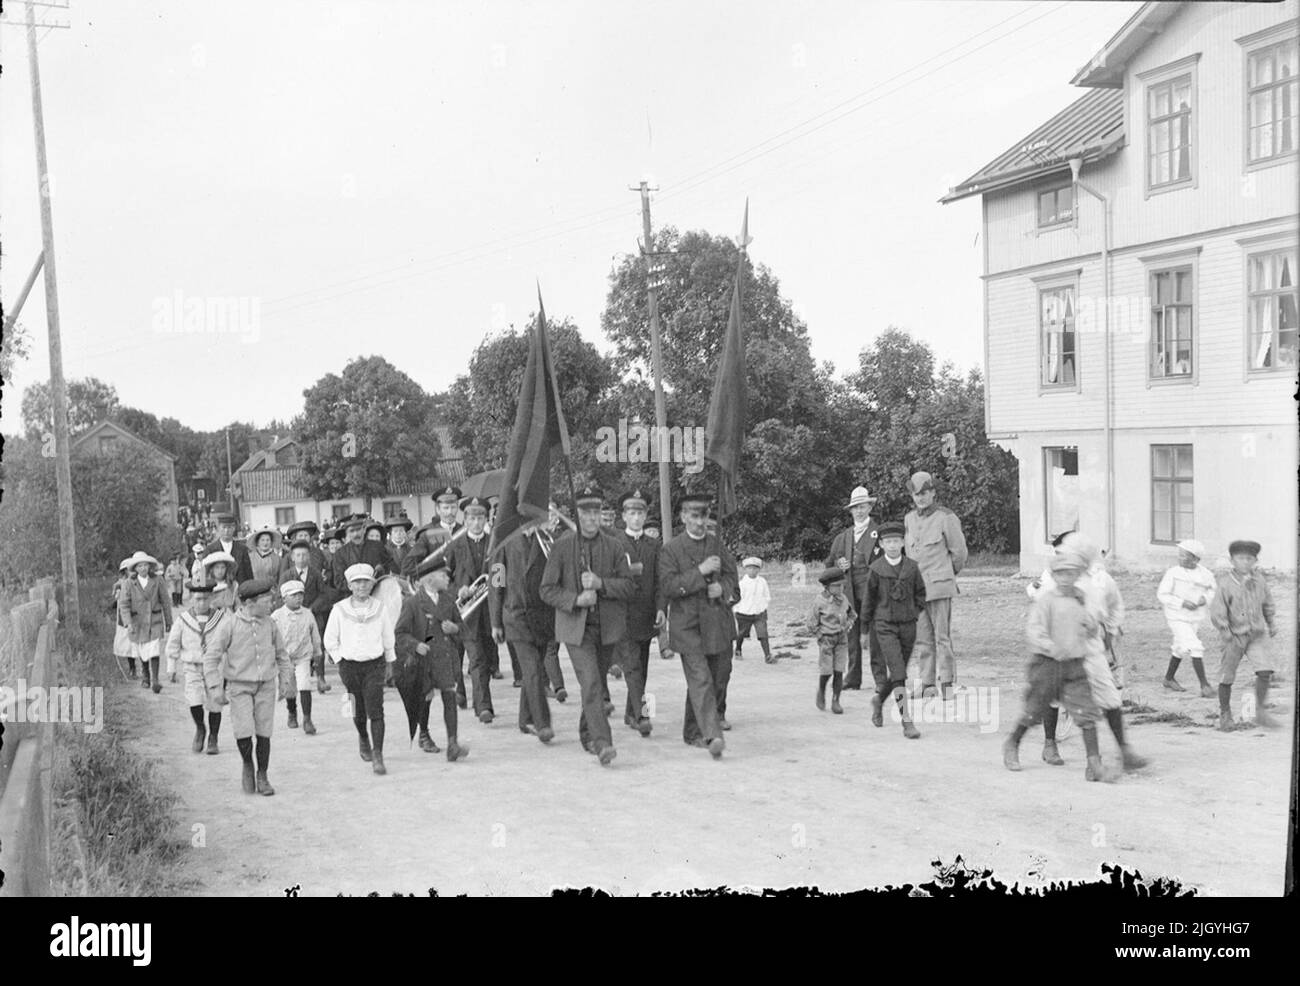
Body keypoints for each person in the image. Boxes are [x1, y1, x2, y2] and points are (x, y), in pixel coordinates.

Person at [1028, 533, 1146, 770]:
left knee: (1110, 698)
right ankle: (1050, 743)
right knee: (1052, 697)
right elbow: (1037, 602)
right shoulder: (1055, 578)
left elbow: (1115, 605)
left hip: (1092, 651)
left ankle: (1123, 751)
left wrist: (1110, 633)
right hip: (1061, 653)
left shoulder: (1101, 580)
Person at [540, 485, 635, 766]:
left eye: (597, 512)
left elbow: (629, 586)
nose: (592, 518)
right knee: (591, 682)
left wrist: (602, 584)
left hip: (607, 628)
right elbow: (546, 590)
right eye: (586, 512)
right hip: (575, 629)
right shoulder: (562, 546)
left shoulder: (615, 546)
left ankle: (587, 732)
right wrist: (575, 599)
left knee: (595, 683)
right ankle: (602, 743)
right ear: (577, 514)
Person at [1002, 548, 1112, 782]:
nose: (1065, 578)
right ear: (1053, 575)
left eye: (1071, 573)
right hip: (1048, 664)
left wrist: (1092, 627)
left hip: (1074, 664)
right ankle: (1013, 743)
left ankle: (1094, 763)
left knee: (1086, 712)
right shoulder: (1046, 601)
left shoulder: (1080, 597)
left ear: (1078, 574)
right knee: (1034, 711)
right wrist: (1051, 647)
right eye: (1060, 574)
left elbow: (1088, 624)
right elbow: (1034, 630)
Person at [659, 491, 736, 758]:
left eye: (704, 516)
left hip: (715, 626)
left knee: (712, 681)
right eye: (694, 516)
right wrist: (700, 573)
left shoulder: (717, 545)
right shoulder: (671, 549)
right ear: (683, 517)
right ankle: (713, 735)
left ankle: (692, 731)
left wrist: (722, 590)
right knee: (701, 679)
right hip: (687, 627)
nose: (700, 522)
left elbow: (732, 580)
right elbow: (668, 586)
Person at [203, 579, 292, 795]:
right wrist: (215, 687)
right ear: (250, 603)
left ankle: (262, 774)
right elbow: (211, 657)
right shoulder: (229, 625)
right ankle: (247, 765)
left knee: (264, 731)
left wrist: (286, 682)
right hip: (239, 686)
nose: (271, 605)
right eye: (267, 601)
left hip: (265, 686)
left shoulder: (270, 624)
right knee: (243, 729)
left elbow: (282, 655)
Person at [395, 553, 471, 761]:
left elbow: (464, 630)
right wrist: (416, 645)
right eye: (443, 576)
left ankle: (452, 743)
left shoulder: (448, 600)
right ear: (429, 579)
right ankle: (424, 733)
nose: (448, 579)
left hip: (445, 658)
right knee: (425, 699)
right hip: (424, 660)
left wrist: (455, 628)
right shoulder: (413, 603)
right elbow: (400, 633)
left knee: (449, 697)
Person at [324, 563, 397, 775]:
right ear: (349, 585)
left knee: (376, 709)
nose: (361, 586)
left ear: (372, 584)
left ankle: (378, 754)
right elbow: (330, 640)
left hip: (374, 665)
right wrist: (341, 661)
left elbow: (387, 637)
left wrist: (390, 662)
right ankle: (363, 737)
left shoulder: (380, 608)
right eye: (357, 582)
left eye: (366, 581)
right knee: (357, 710)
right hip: (350, 667)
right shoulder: (339, 609)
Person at [491, 518, 558, 745]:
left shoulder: (546, 540)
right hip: (515, 617)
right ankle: (543, 723)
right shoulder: (504, 542)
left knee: (535, 669)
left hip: (542, 618)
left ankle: (525, 718)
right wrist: (495, 622)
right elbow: (496, 583)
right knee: (532, 671)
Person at [903, 471, 968, 700]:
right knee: (922, 638)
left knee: (942, 637)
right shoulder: (910, 519)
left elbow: (959, 553)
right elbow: (911, 554)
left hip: (940, 587)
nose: (920, 498)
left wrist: (947, 574)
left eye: (924, 493)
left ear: (933, 493)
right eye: (915, 494)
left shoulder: (946, 517)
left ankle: (947, 684)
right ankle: (927, 683)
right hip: (918, 589)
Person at [862, 521, 925, 738]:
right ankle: (907, 722)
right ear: (881, 543)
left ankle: (878, 700)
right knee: (898, 673)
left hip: (908, 625)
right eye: (888, 542)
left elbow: (920, 594)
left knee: (899, 672)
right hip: (884, 626)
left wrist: (914, 613)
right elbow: (868, 601)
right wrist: (864, 629)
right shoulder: (876, 570)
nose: (892, 545)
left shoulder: (912, 567)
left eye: (896, 541)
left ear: (903, 542)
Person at [1209, 540, 1278, 731]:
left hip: (1256, 634)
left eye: (1250, 558)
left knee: (1265, 670)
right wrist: (1225, 632)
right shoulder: (1225, 584)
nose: (1245, 562)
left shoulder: (1260, 581)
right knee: (1227, 676)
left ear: (1255, 560)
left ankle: (1260, 712)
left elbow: (1268, 603)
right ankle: (1225, 714)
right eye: (1241, 558)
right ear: (1232, 560)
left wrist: (1271, 622)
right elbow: (1217, 612)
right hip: (1233, 636)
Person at [612, 488, 664, 737]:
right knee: (631, 666)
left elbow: (660, 581)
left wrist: (661, 608)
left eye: (640, 513)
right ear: (623, 516)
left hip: (646, 615)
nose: (636, 518)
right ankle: (643, 715)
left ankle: (630, 714)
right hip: (623, 614)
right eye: (631, 513)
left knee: (642, 667)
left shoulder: (654, 545)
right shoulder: (614, 542)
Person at [826, 486, 881, 689]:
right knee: (852, 636)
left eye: (863, 506)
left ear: (869, 507)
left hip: (873, 592)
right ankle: (853, 678)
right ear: (851, 510)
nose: (859, 510)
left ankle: (880, 679)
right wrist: (838, 566)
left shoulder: (880, 533)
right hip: (849, 592)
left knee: (876, 636)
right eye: (856, 507)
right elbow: (829, 564)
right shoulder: (843, 537)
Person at [164, 581, 227, 754]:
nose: (202, 603)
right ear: (191, 599)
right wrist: (171, 667)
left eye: (206, 599)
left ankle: (213, 737)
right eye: (198, 599)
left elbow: (229, 643)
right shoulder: (184, 619)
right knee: (194, 700)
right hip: (191, 666)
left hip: (214, 667)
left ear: (211, 598)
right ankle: (200, 728)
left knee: (215, 702)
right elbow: (173, 644)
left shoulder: (220, 618)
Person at [450, 496, 497, 723]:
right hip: (467, 614)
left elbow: (501, 574)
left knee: (487, 659)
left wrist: (495, 584)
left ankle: (482, 702)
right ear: (465, 520)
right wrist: (458, 589)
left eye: (480, 518)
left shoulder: (495, 543)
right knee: (476, 658)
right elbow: (443, 577)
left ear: (486, 520)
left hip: (490, 612)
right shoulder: (455, 545)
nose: (476, 523)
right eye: (472, 518)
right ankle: (484, 706)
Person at [1156, 539, 1217, 695]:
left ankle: (1168, 679)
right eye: (1180, 555)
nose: (1180, 558)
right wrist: (1181, 602)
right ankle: (1205, 685)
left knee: (1180, 648)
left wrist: (1205, 599)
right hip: (1176, 617)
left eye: (1184, 556)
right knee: (1195, 646)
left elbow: (1213, 591)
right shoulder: (1173, 573)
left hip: (1195, 617)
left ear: (1195, 559)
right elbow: (1162, 594)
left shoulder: (1206, 574)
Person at [280, 536, 334, 694]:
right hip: (292, 617)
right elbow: (280, 595)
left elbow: (324, 594)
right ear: (292, 557)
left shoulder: (315, 574)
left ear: (309, 557)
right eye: (298, 555)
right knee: (291, 645)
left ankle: (321, 678)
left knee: (318, 646)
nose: (301, 558)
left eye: (304, 555)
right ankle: (292, 678)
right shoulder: (287, 575)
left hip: (313, 614)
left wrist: (312, 609)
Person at [272, 580, 323, 735]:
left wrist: (317, 652)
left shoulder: (308, 614)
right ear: (284, 598)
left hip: (303, 656)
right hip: (285, 659)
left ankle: (307, 719)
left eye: (300, 594)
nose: (298, 598)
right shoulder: (277, 616)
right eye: (293, 595)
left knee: (304, 685)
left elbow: (315, 635)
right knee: (290, 689)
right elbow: (271, 637)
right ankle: (292, 712)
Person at [118, 551, 174, 693]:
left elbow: (165, 601)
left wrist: (168, 620)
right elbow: (124, 605)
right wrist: (128, 623)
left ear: (150, 567)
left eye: (145, 565)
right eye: (140, 566)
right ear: (135, 568)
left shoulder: (157, 580)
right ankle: (146, 675)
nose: (143, 568)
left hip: (154, 619)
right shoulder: (129, 584)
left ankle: (155, 679)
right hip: (138, 621)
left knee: (154, 649)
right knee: (143, 650)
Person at [806, 567, 854, 714]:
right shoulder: (819, 602)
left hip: (841, 639)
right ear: (827, 587)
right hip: (826, 639)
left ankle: (836, 700)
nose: (840, 588)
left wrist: (849, 624)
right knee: (827, 671)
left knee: (839, 670)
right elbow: (811, 623)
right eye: (837, 586)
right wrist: (820, 635)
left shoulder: (844, 599)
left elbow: (852, 614)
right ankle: (821, 690)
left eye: (842, 585)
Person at [734, 556, 773, 663]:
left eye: (755, 568)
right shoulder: (742, 584)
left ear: (759, 570)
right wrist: (737, 610)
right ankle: (738, 649)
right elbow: (736, 598)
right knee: (742, 633)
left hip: (759, 613)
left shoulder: (762, 582)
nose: (752, 571)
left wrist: (763, 606)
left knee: (763, 633)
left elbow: (767, 595)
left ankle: (767, 655)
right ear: (745, 569)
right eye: (749, 568)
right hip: (744, 613)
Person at [110, 558, 138, 677]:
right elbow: (116, 602)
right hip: (126, 618)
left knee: (140, 643)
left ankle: (145, 669)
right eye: (127, 570)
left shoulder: (139, 582)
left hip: (138, 615)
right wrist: (117, 595)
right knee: (128, 643)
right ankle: (132, 668)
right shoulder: (120, 584)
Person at [210, 512, 255, 584]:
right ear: (218, 528)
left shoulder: (242, 549)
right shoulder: (210, 549)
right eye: (224, 527)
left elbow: (249, 574)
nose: (226, 531)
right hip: (216, 592)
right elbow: (203, 574)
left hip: (240, 591)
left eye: (229, 527)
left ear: (234, 528)